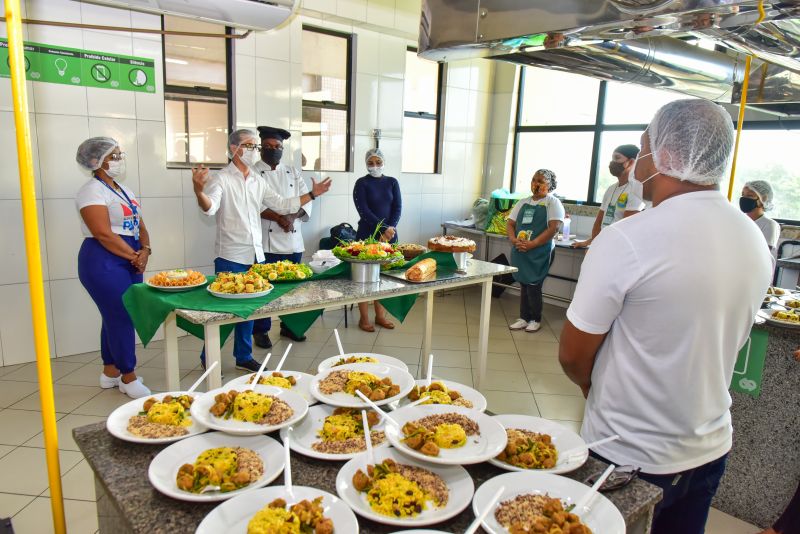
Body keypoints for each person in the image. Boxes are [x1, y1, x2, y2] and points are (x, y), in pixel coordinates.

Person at [558, 99, 773, 534]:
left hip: (629, 453)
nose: (637, 163)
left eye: (643, 149)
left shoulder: (629, 239)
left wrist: (591, 386)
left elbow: (572, 356)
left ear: (669, 157)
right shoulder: (750, 236)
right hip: (709, 446)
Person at [192, 129, 331, 371]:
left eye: (255, 147)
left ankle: (243, 357)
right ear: (233, 148)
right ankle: (208, 357)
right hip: (230, 255)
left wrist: (311, 194)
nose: (254, 151)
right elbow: (210, 208)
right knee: (223, 313)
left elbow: (282, 204)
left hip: (255, 254)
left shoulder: (258, 180)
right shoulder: (222, 178)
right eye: (249, 145)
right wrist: (198, 191)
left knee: (248, 310)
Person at [75, 137, 152, 399]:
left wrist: (146, 249)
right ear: (97, 161)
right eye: (114, 156)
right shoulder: (91, 191)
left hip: (130, 257)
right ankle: (128, 378)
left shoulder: (123, 190)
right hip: (103, 259)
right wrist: (134, 255)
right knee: (122, 315)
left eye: (120, 155)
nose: (120, 160)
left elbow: (139, 224)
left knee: (113, 315)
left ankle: (110, 372)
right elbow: (103, 233)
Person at [251, 126, 311, 348]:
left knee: (293, 288)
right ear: (260, 148)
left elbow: (307, 199)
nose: (272, 150)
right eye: (267, 146)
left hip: (293, 239)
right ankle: (261, 330)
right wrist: (278, 218)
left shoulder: (293, 172)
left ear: (282, 149)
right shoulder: (254, 172)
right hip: (267, 242)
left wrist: (291, 217)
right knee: (265, 288)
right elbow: (253, 205)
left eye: (277, 147)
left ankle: (290, 326)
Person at [506, 169, 564, 333]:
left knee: (534, 285)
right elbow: (510, 224)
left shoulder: (552, 203)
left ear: (549, 186)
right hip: (520, 249)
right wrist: (513, 239)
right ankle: (524, 318)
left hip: (540, 251)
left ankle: (535, 319)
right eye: (533, 180)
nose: (536, 184)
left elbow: (554, 228)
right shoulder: (523, 202)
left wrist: (533, 244)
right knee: (524, 283)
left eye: (540, 181)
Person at [352, 148, 402, 332]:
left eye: (378, 162)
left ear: (383, 162)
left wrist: (390, 229)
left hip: (390, 235)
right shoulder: (361, 183)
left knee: (383, 277)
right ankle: (364, 318)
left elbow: (397, 208)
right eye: (370, 162)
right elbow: (364, 211)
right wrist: (383, 229)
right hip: (367, 235)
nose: (374, 166)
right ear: (366, 163)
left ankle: (380, 315)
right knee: (365, 279)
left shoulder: (392, 182)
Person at [573, 144, 644, 248]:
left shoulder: (636, 190)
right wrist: (592, 244)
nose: (613, 162)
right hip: (603, 244)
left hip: (618, 246)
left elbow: (627, 227)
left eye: (617, 158)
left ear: (631, 162)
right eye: (612, 158)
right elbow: (599, 222)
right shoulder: (611, 189)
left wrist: (603, 248)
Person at [740, 180, 781, 254]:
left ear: (764, 198)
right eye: (743, 195)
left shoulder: (770, 225)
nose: (744, 198)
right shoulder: (740, 221)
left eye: (750, 195)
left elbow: (763, 253)